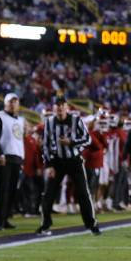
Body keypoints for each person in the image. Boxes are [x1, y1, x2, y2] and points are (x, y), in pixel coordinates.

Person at [36, 96, 100, 236]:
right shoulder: (50, 122)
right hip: (57, 161)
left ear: (67, 107)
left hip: (74, 161)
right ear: (53, 108)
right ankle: (45, 225)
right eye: (57, 105)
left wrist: (71, 142)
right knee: (48, 193)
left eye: (62, 105)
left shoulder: (76, 120)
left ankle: (91, 224)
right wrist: (49, 165)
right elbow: (45, 145)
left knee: (83, 192)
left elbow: (87, 139)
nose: (59, 108)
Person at [0, 93, 25, 231]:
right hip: (3, 158)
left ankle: (5, 219)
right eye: (10, 101)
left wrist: (22, 158)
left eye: (15, 101)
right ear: (5, 103)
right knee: (1, 190)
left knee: (11, 191)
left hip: (16, 159)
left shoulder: (20, 120)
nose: (13, 104)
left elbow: (18, 141)